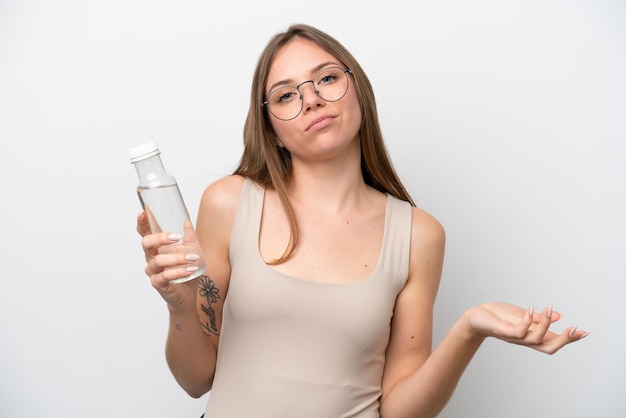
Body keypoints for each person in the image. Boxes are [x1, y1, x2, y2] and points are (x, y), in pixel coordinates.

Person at [136, 23, 587, 418]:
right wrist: (179, 304)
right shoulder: (229, 203)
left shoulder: (419, 235)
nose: (311, 99)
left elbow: (400, 409)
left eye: (327, 79)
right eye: (287, 94)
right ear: (270, 127)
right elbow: (196, 380)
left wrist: (470, 328)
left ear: (358, 90)